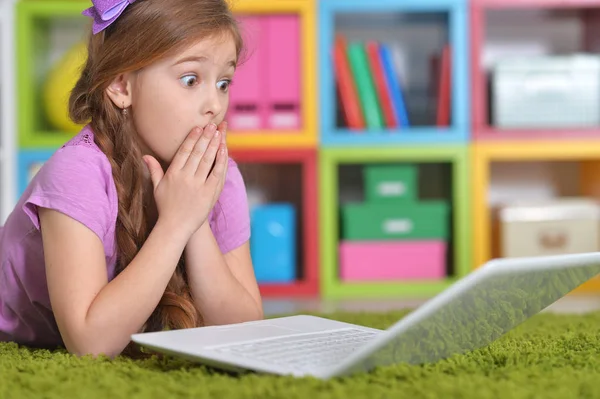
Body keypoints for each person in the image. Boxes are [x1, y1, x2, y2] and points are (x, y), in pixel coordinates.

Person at [0, 0, 264, 358]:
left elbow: (247, 330)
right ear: (121, 86)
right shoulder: (76, 172)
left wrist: (195, 218)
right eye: (190, 80)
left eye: (223, 83)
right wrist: (175, 224)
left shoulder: (220, 176)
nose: (215, 105)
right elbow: (90, 345)